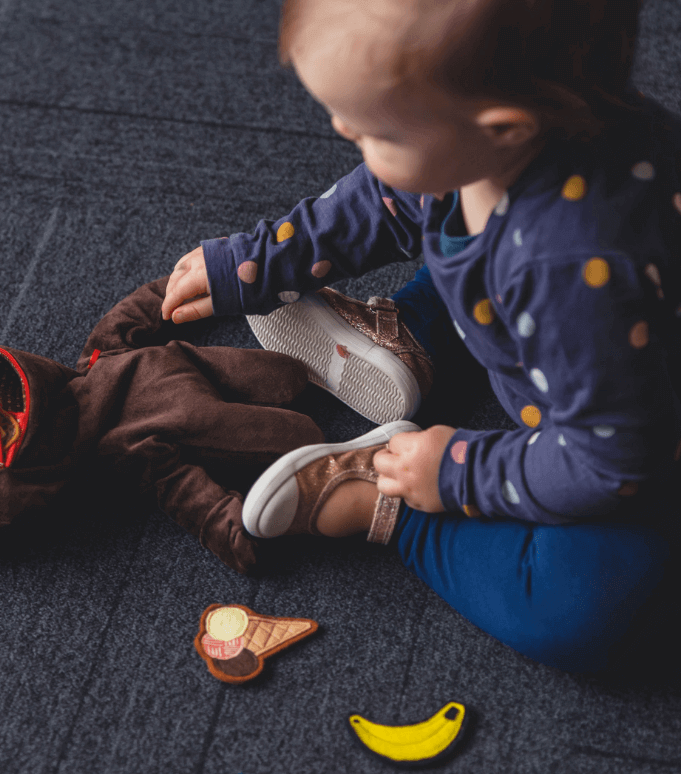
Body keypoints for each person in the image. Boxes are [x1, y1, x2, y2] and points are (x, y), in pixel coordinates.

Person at [159, 0, 681, 672]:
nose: (343, 129)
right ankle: (409, 340)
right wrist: (258, 262)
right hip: (578, 346)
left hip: (628, 446)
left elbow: (612, 468)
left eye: (379, 132)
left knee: (583, 610)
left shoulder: (573, 274)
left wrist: (457, 475)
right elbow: (383, 201)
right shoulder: (520, 137)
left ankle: (390, 506)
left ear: (503, 130)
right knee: (449, 222)